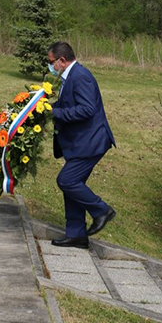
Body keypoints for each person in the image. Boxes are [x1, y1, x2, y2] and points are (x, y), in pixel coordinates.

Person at [48, 41, 115, 249]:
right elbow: (68, 104)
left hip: (91, 142)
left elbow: (87, 109)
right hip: (80, 142)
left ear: (62, 60)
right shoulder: (70, 76)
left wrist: (54, 112)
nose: (50, 66)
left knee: (66, 180)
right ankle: (76, 235)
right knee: (73, 186)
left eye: (51, 62)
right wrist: (45, 107)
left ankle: (102, 210)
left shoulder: (80, 76)